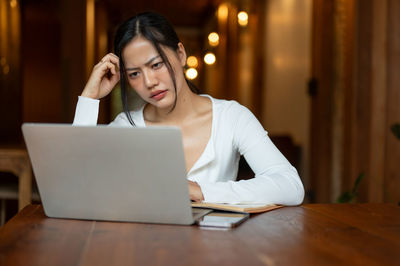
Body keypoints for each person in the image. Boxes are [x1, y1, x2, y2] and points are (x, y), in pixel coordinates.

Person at [73, 12, 304, 205]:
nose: (149, 81)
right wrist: (89, 98)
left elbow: (290, 186)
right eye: (134, 74)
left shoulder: (231, 117)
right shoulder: (127, 126)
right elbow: (76, 188)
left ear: (181, 54)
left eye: (156, 64)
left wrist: (202, 191)